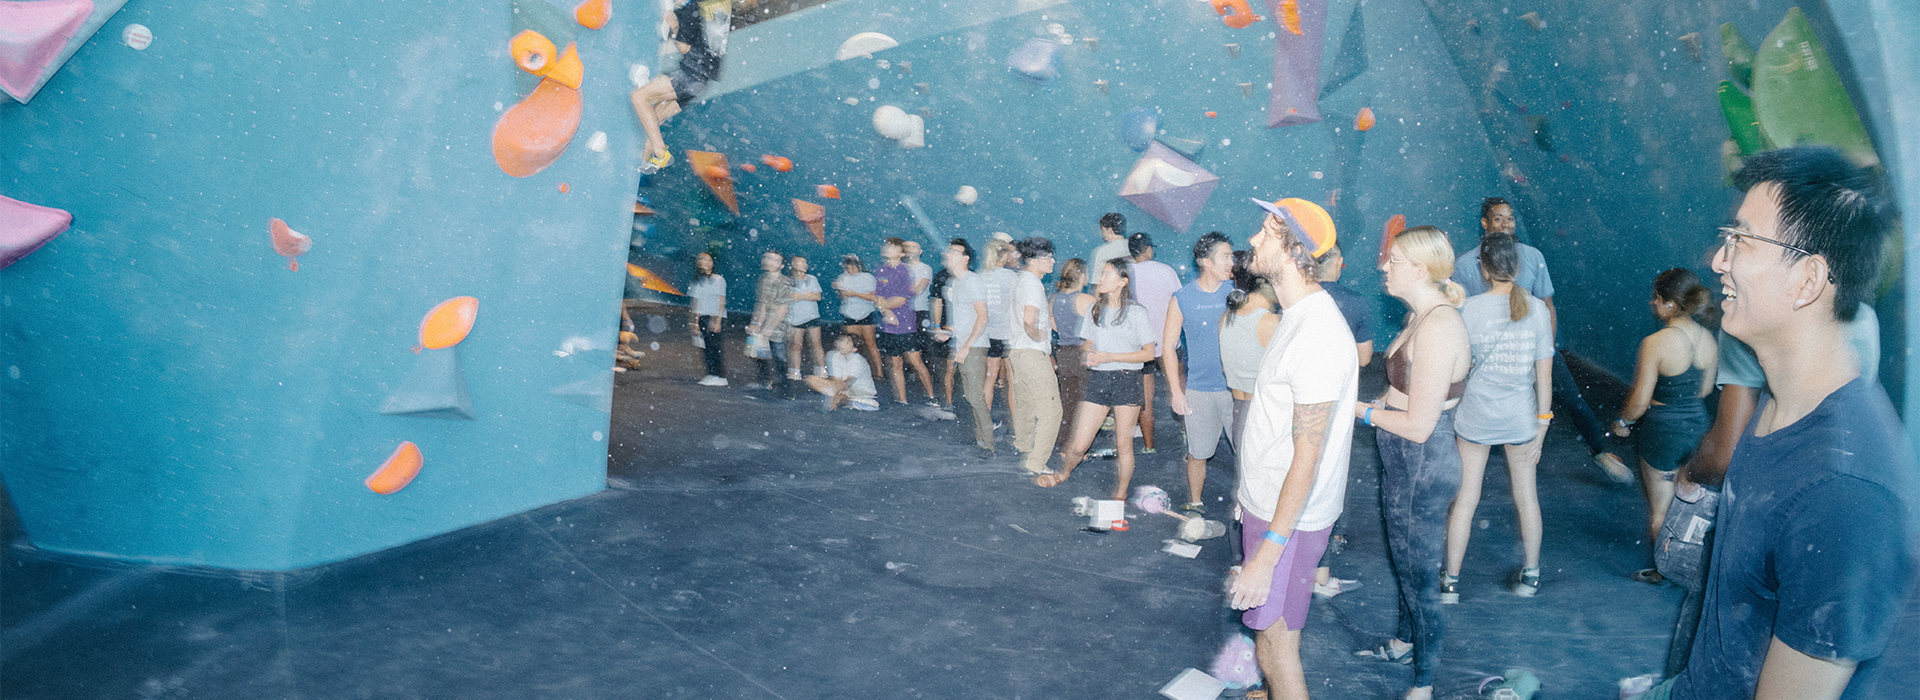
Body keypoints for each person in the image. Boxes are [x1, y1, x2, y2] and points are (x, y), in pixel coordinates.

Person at [1641, 147, 1917, 699]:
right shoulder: (1779, 403)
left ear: (1809, 278)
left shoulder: (1844, 492)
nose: (1719, 261)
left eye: (1741, 240)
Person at [1225, 198, 1358, 700]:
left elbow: (1308, 455)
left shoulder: (1318, 334)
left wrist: (1268, 554)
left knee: (1277, 648)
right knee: (1270, 637)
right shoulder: (1296, 317)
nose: (1254, 241)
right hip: (1273, 509)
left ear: (1295, 249)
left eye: (1266, 232)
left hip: (1289, 523)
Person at [1354, 225, 1470, 700]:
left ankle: (1423, 683)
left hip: (1422, 459)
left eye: (1394, 260)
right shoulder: (1419, 317)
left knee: (1420, 576)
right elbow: (1397, 391)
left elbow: (1419, 424)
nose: (1384, 266)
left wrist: (1358, 410)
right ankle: (1405, 642)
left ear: (1420, 270)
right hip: (1406, 460)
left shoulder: (1440, 327)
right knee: (1404, 560)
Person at [1451, 198, 1629, 483]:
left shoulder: (1533, 257)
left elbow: (1548, 306)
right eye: (1498, 218)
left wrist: (1545, 349)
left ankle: (1600, 451)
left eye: (1510, 218)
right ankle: (1461, 465)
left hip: (1535, 348)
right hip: (1487, 356)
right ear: (1484, 223)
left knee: (1574, 399)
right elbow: (1461, 315)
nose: (1506, 223)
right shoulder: (1464, 265)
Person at [1442, 233, 1555, 603]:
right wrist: (1542, 426)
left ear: (1484, 268)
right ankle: (1532, 576)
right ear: (1518, 266)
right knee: (1527, 498)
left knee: (1466, 500)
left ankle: (1451, 582)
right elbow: (1544, 378)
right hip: (1521, 419)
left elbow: (1456, 371)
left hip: (1475, 417)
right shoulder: (1537, 309)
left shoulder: (1467, 309)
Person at [1612, 268, 1718, 586]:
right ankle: (1693, 567)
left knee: (1661, 508)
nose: (1652, 304)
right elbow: (1705, 390)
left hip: (1662, 432)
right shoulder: (1709, 340)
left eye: (1656, 299)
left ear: (1670, 304)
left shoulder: (1655, 343)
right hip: (1698, 427)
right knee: (1689, 503)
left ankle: (1664, 571)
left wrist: (1622, 423)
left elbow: (1640, 401)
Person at [1037, 258, 1155, 497]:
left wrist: (1109, 355)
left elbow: (1149, 353)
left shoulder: (1136, 312)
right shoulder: (1094, 308)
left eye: (1108, 275)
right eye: (1102, 274)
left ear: (1123, 282)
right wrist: (1089, 355)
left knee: (1124, 445)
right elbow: (1088, 344)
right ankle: (1065, 472)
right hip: (1099, 380)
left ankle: (1120, 494)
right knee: (1079, 444)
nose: (1101, 279)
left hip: (1127, 380)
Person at [1312, 241, 1376, 598]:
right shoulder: (1353, 301)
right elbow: (1365, 358)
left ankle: (1298, 564)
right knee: (1328, 479)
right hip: (1336, 402)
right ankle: (1320, 574)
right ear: (1335, 263)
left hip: (1299, 399)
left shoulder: (1297, 297)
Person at [1162, 232, 1236, 515]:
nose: (1232, 261)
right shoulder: (1182, 298)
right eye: (1225, 256)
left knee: (1248, 454)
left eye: (1232, 255)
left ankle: (1250, 506)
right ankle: (1195, 503)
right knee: (1197, 453)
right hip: (1199, 390)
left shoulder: (1238, 293)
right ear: (1205, 261)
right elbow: (1168, 346)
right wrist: (1176, 392)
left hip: (1236, 391)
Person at [628, 0, 726, 171]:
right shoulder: (714, 7)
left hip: (690, 75)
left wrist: (674, 25)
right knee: (654, 119)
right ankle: (639, 163)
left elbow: (683, 47)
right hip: (700, 83)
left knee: (639, 97)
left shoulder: (692, 8)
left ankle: (660, 154)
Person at [1007, 237, 1063, 476]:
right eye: (1046, 257)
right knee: (1052, 410)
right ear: (1031, 260)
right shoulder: (1032, 284)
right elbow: (1029, 319)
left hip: (1018, 352)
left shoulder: (1023, 280)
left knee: (1027, 404)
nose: (1052, 261)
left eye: (1051, 256)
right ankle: (1036, 462)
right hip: (1031, 352)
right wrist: (1038, 335)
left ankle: (1023, 446)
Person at [935, 238, 995, 456]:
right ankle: (978, 439)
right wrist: (948, 332)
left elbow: (983, 316)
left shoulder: (972, 281)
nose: (948, 254)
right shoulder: (956, 283)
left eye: (954, 251)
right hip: (963, 345)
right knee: (968, 397)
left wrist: (967, 347)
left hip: (974, 347)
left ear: (966, 258)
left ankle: (988, 445)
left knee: (975, 397)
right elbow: (963, 320)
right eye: (948, 250)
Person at [1222, 250, 1282, 447]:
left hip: (1239, 413)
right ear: (1263, 284)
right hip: (1263, 415)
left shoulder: (1227, 317)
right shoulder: (1270, 322)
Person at [1129, 232, 1182, 455]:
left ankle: (1149, 445)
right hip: (1168, 340)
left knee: (1145, 398)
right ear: (1149, 249)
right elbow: (1180, 301)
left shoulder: (1127, 274)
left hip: (1141, 344)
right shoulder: (1166, 271)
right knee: (1176, 388)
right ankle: (1188, 432)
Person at [875, 238, 937, 406]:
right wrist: (886, 310)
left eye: (893, 247)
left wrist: (884, 306)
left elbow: (903, 298)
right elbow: (878, 295)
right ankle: (902, 400)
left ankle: (932, 397)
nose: (888, 249)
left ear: (901, 254)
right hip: (889, 325)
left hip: (906, 324)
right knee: (895, 362)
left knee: (916, 361)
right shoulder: (880, 270)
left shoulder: (905, 271)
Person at [1050, 258, 1091, 454]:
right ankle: (1078, 445)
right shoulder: (1085, 300)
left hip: (1063, 353)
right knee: (1086, 402)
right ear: (1082, 275)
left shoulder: (1055, 299)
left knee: (1068, 400)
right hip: (1081, 353)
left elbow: (1053, 323)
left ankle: (1064, 443)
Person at [980, 237, 1021, 420]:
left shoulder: (981, 276)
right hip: (1007, 335)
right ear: (1003, 255)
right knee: (1012, 382)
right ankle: (1017, 424)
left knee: (989, 379)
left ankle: (984, 422)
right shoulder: (1011, 277)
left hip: (987, 335)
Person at [747, 250, 794, 398]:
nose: (770, 261)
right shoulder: (763, 280)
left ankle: (786, 389)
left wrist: (769, 328)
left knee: (779, 357)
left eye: (775, 260)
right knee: (758, 354)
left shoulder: (785, 282)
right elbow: (761, 303)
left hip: (779, 326)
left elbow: (782, 310)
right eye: (768, 258)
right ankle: (764, 381)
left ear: (781, 265)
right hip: (764, 323)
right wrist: (756, 323)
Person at [833, 255, 883, 380]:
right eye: (849, 268)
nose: (851, 271)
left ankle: (879, 372)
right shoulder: (843, 278)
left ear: (859, 267)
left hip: (866, 313)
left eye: (853, 268)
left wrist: (854, 293)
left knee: (870, 343)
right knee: (852, 346)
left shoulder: (868, 278)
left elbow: (873, 297)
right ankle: (854, 372)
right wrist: (839, 290)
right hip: (850, 314)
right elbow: (842, 297)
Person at [805, 334, 879, 411]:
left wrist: (836, 391)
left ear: (854, 349)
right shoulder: (834, 356)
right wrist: (835, 390)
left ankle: (849, 402)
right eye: (842, 341)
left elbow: (848, 383)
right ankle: (845, 402)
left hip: (862, 391)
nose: (841, 344)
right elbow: (837, 380)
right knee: (810, 379)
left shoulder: (858, 360)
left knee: (839, 395)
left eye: (847, 343)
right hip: (844, 388)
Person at [687, 251, 728, 386]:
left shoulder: (718, 279)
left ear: (712, 263)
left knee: (714, 347)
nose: (703, 262)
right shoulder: (698, 280)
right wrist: (694, 321)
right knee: (705, 348)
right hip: (703, 317)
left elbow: (720, 300)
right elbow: (696, 302)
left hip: (713, 316)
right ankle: (710, 374)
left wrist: (716, 321)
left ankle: (719, 376)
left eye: (707, 259)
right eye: (700, 259)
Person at [785, 255, 826, 379]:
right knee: (796, 345)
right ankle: (795, 372)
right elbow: (788, 296)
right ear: (793, 264)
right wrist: (807, 295)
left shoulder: (811, 279)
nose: (805, 264)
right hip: (795, 318)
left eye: (805, 262)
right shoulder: (787, 281)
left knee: (816, 343)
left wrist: (799, 296)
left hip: (812, 316)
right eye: (801, 262)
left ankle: (821, 371)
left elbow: (817, 296)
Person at [928, 264, 956, 406]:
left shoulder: (970, 277)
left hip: (963, 330)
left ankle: (954, 401)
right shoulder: (942, 276)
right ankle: (949, 402)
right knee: (948, 368)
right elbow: (936, 301)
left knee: (956, 369)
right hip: (947, 328)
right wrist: (937, 326)